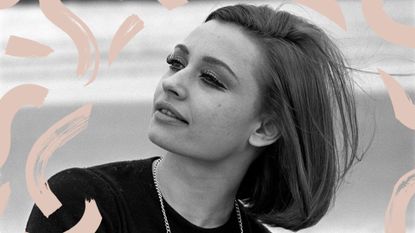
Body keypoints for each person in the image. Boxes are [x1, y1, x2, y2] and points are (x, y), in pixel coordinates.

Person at [25, 3, 362, 233]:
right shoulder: (81, 202)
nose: (172, 83)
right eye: (177, 63)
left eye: (211, 79)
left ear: (265, 127)